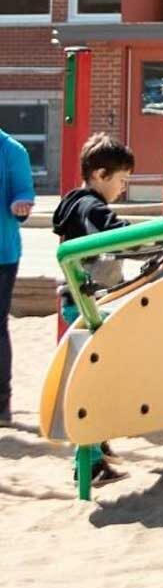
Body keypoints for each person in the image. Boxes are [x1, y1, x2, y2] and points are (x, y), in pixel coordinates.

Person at [53, 132, 135, 486]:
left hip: (78, 303)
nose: (123, 188)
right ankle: (88, 462)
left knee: (92, 378)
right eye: (121, 180)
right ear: (100, 175)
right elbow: (117, 235)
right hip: (89, 305)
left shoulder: (73, 202)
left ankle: (96, 446)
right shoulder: (92, 207)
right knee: (93, 384)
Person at [0, 127, 35, 427]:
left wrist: (20, 206)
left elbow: (23, 193)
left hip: (2, 253)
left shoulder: (12, 150)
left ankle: (1, 403)